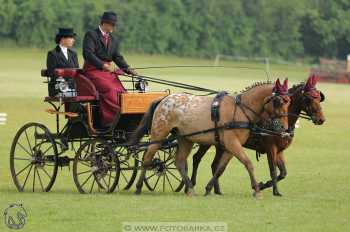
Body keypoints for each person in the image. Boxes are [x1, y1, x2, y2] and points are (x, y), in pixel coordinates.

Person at [82, 11, 137, 127]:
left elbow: (117, 56)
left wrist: (127, 68)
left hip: (107, 72)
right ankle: (111, 119)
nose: (113, 27)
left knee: (121, 90)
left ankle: (126, 117)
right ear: (104, 23)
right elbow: (88, 54)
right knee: (109, 89)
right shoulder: (91, 35)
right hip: (93, 70)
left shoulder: (113, 39)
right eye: (112, 24)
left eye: (114, 24)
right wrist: (102, 65)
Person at [47, 28, 79, 96]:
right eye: (71, 38)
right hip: (59, 87)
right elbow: (52, 73)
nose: (73, 40)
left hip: (73, 87)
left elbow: (77, 72)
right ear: (63, 39)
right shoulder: (53, 54)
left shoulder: (73, 54)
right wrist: (66, 85)